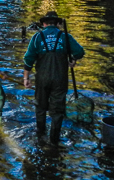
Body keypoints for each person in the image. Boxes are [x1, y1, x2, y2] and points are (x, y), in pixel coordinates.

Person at [22, 11, 85, 145]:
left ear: (44, 24)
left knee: (40, 107)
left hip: (42, 78)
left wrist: (26, 78)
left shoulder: (37, 37)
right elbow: (80, 52)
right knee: (57, 111)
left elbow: (28, 59)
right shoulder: (65, 37)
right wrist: (73, 59)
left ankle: (40, 135)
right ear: (58, 24)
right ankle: (54, 141)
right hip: (59, 79)